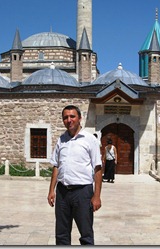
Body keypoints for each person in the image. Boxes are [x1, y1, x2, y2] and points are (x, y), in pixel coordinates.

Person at [47, 105, 102, 245]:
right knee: (61, 234)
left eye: (72, 116)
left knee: (86, 234)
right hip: (62, 192)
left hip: (82, 193)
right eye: (65, 117)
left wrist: (96, 196)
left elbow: (98, 169)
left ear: (79, 118)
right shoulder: (61, 140)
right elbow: (56, 166)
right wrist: (51, 191)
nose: (69, 120)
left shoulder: (90, 139)